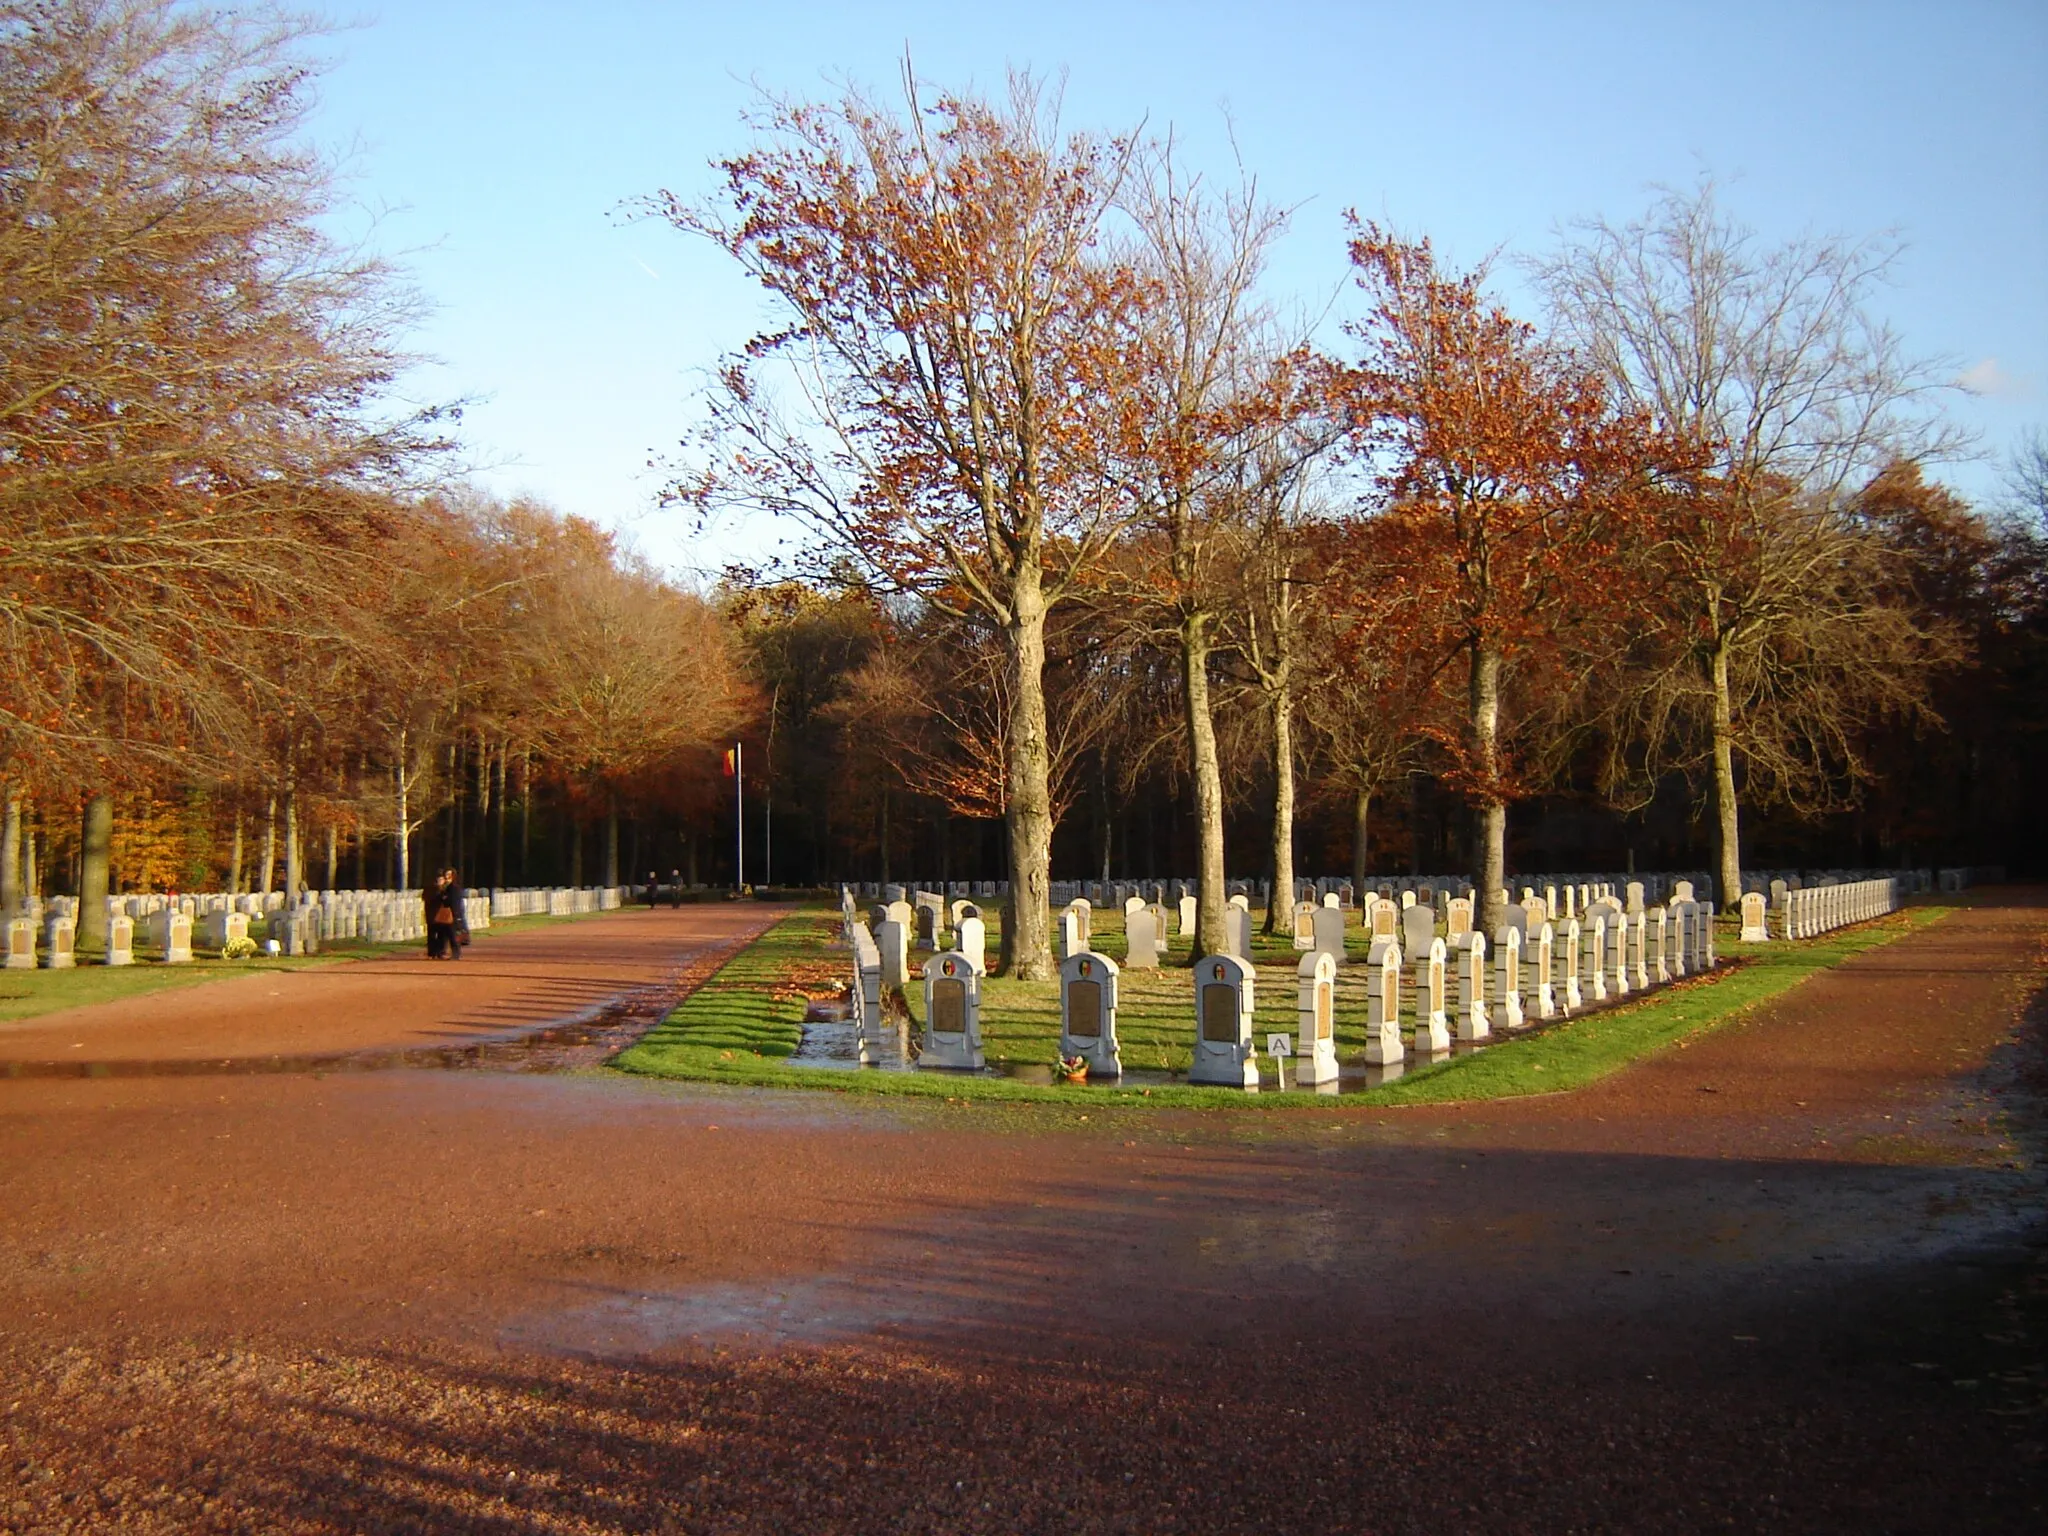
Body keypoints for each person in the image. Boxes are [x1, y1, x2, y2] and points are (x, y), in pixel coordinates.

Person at [422, 872, 452, 960]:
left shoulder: (445, 889)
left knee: (441, 935)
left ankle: (440, 951)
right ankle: (432, 952)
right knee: (432, 934)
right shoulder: (431, 889)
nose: (441, 881)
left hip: (442, 915)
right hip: (432, 915)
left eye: (442, 879)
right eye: (439, 879)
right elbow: (427, 898)